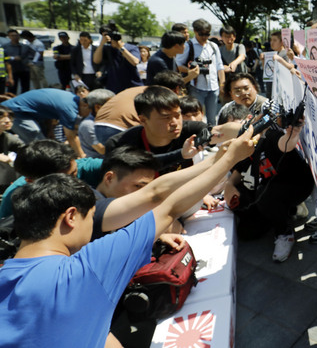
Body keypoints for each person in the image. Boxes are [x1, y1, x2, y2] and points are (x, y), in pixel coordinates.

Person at [0, 128, 254, 348]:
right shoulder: (87, 268)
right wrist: (229, 158)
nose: (95, 224)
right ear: (70, 218)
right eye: (92, 217)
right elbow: (166, 204)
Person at [224, 116, 313, 262]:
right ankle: (289, 212)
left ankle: (284, 233)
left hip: (297, 184)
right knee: (246, 231)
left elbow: (284, 144)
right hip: (269, 188)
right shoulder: (242, 147)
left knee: (264, 195)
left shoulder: (268, 136)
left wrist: (293, 135)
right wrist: (229, 185)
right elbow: (238, 170)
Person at [104, 86, 208, 174]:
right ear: (143, 120)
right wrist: (181, 154)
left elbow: (216, 132)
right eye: (166, 117)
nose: (175, 123)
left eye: (177, 115)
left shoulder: (191, 130)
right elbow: (137, 168)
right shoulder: (119, 144)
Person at [0, 139, 103, 219]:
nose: (73, 181)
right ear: (31, 182)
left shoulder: (86, 167)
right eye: (64, 179)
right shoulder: (15, 196)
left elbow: (117, 163)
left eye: (74, 173)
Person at [1, 88, 91, 156]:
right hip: (14, 112)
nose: (89, 116)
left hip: (29, 113)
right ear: (85, 105)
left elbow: (49, 110)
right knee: (41, 144)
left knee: (45, 141)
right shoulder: (69, 109)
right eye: (91, 112)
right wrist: (82, 155)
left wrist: (50, 130)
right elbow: (71, 136)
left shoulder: (70, 98)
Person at [175, 19, 225, 126]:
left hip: (213, 88)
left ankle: (210, 140)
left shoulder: (213, 46)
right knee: (195, 118)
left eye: (207, 34)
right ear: (195, 31)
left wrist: (222, 84)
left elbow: (219, 66)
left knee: (212, 119)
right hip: (196, 87)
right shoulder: (188, 45)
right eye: (201, 34)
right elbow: (178, 64)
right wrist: (191, 70)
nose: (204, 37)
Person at [93, 22, 143, 94]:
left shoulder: (131, 47)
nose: (109, 37)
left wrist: (120, 47)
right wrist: (101, 43)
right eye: (106, 35)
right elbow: (96, 60)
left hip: (132, 86)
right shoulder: (106, 49)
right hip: (113, 87)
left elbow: (135, 62)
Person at [78, 89, 116, 159]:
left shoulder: (108, 119)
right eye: (111, 105)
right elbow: (102, 150)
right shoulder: (88, 125)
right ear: (97, 107)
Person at [3, 29, 34, 95]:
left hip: (24, 69)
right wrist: (12, 58)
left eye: (16, 35)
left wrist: (31, 62)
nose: (14, 37)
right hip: (12, 70)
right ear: (9, 37)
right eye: (12, 35)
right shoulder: (5, 47)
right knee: (12, 88)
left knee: (25, 88)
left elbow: (34, 54)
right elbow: (3, 58)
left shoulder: (25, 46)